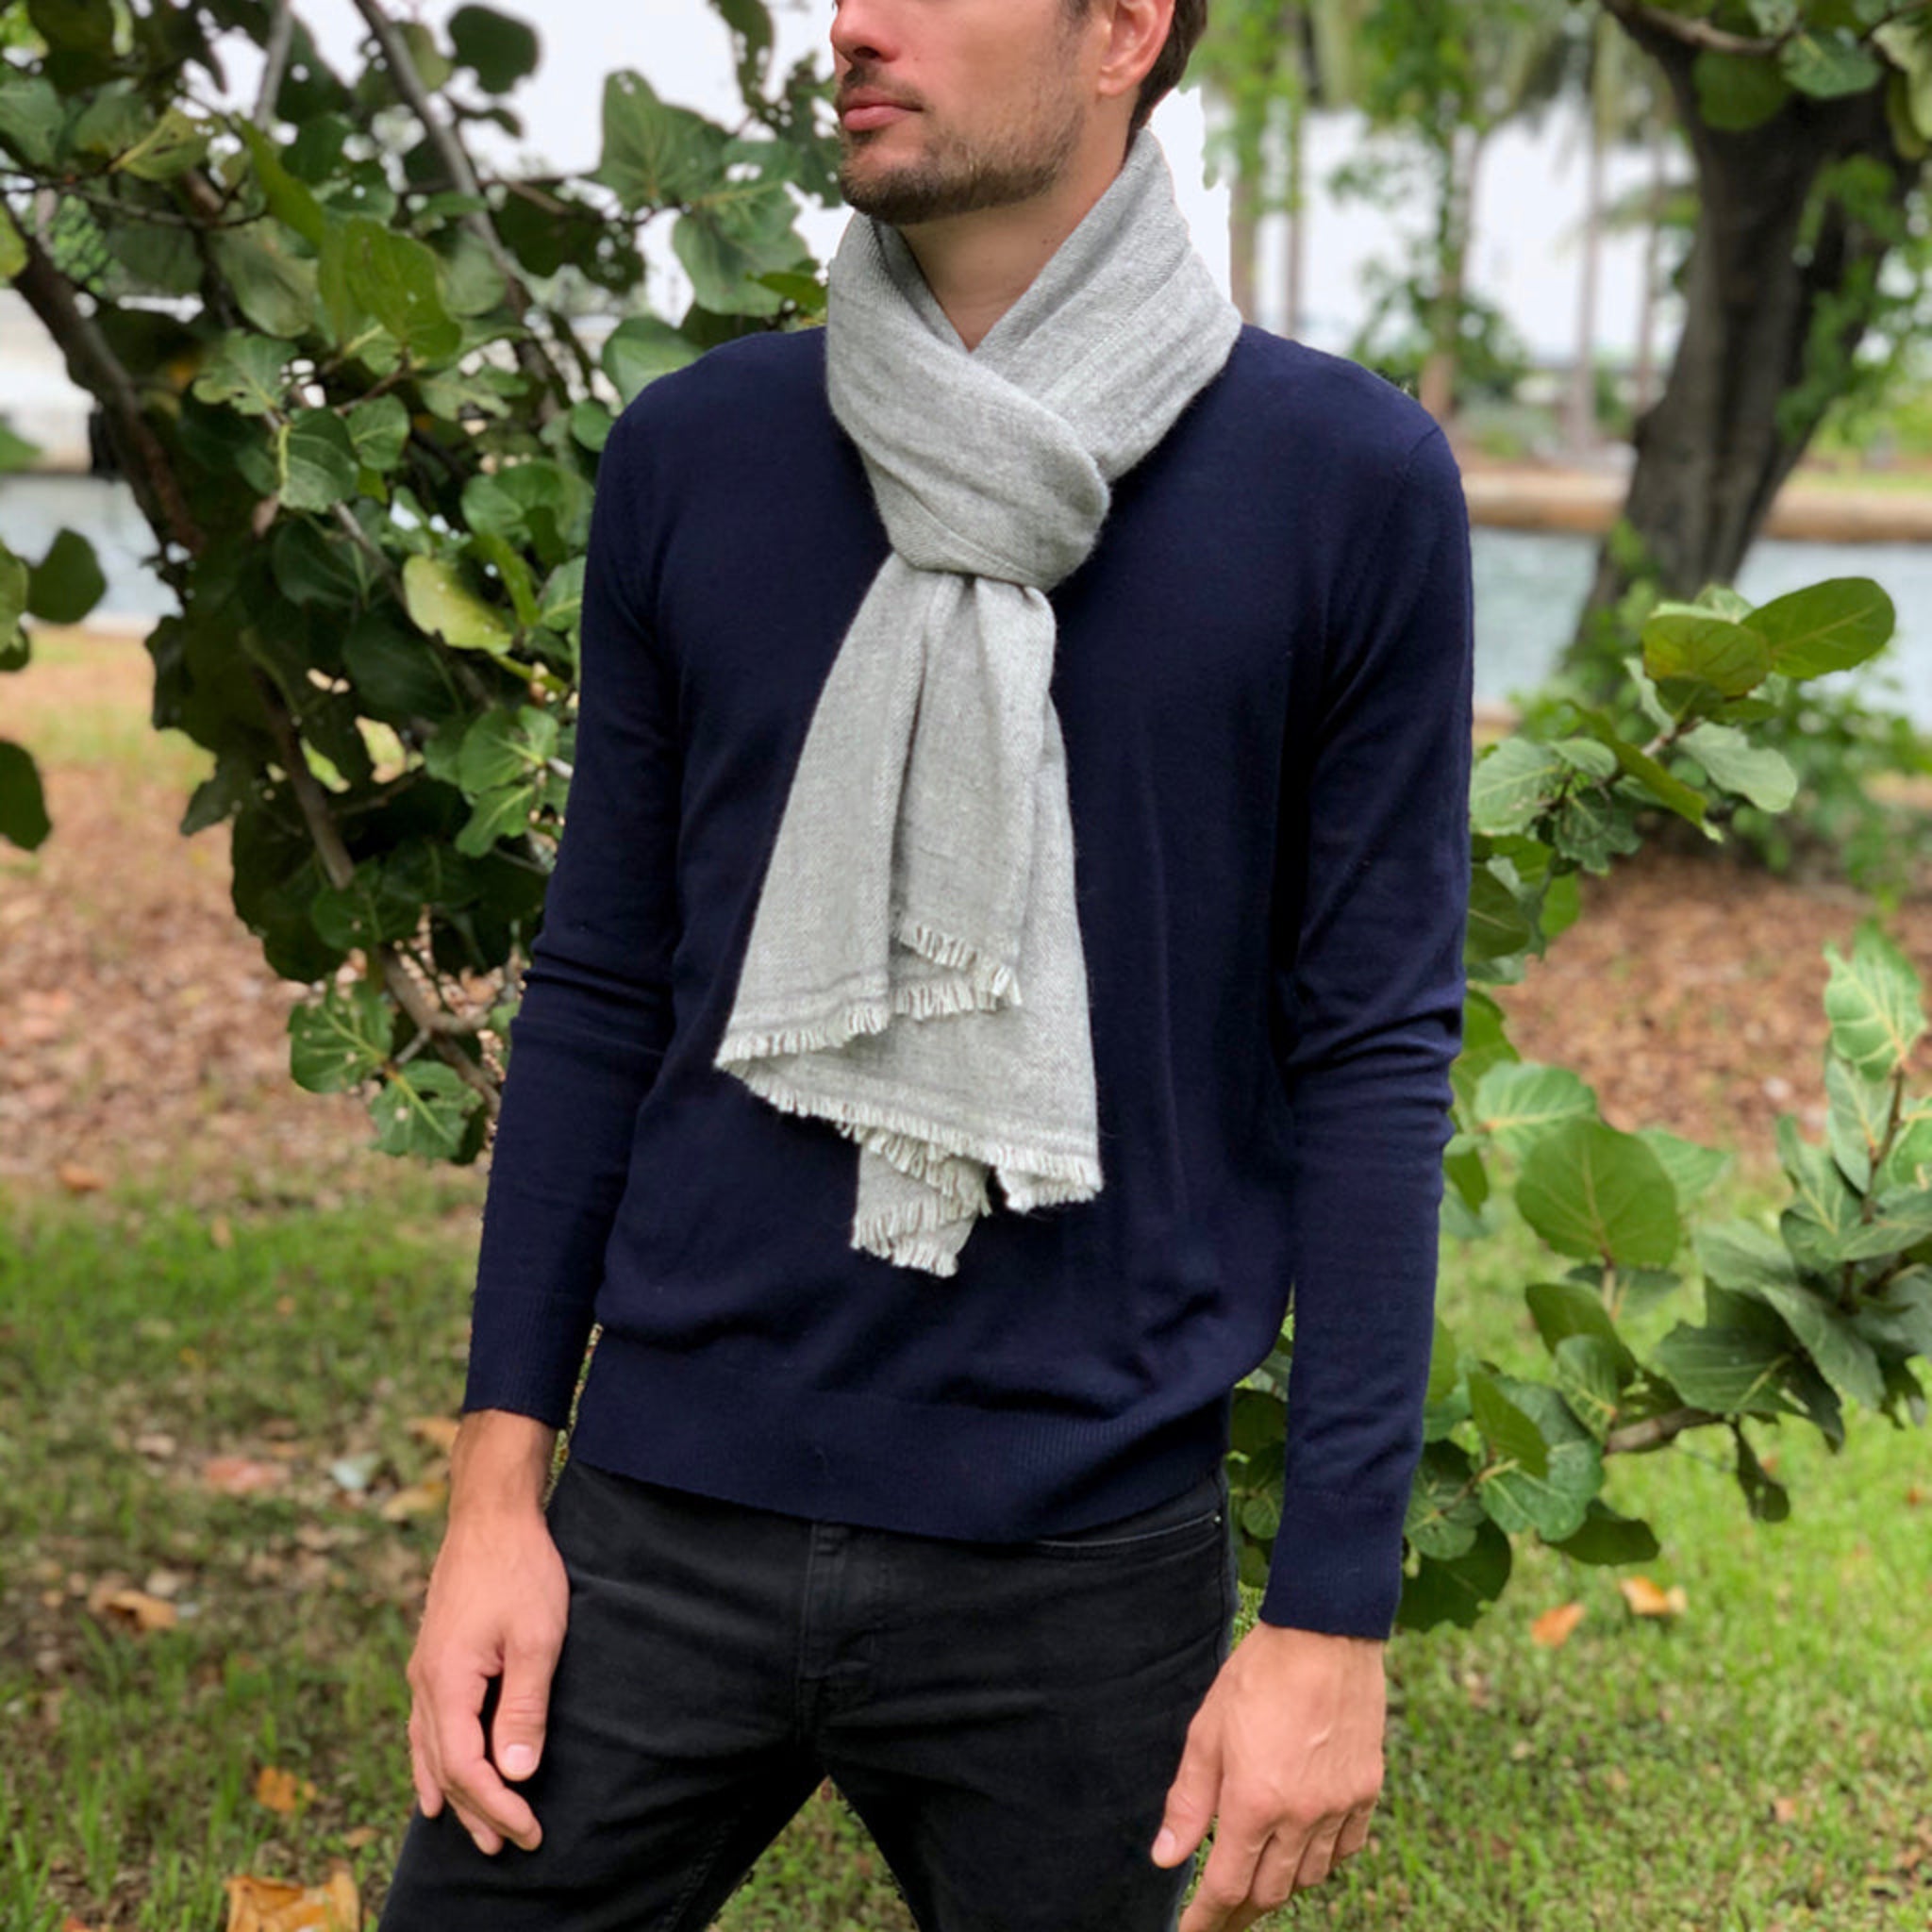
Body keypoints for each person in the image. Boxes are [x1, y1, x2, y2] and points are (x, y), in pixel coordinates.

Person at [377, 0, 1473, 1927]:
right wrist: (493, 1498)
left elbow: (1373, 1053)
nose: (850, 23)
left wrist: (1331, 1616)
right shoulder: (695, 457)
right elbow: (604, 988)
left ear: (1124, 27)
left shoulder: (1344, 482)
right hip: (658, 1507)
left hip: (1088, 1543)